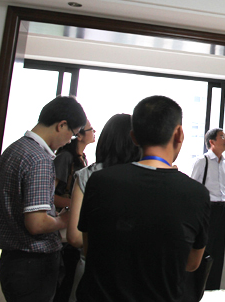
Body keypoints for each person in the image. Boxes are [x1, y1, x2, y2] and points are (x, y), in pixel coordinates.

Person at [76, 96, 210, 302]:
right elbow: (192, 263)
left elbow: (89, 248)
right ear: (179, 134)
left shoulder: (99, 181)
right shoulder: (196, 193)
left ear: (134, 137)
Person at [0, 96, 87, 302]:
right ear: (61, 125)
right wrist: (64, 219)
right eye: (73, 134)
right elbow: (36, 224)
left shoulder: (12, 150)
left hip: (10, 262)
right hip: (34, 264)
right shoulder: (40, 158)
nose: (70, 140)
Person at [65, 113, 141, 302]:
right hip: (133, 274)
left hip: (91, 270)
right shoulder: (145, 179)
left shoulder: (86, 175)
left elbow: (74, 237)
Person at [53, 120, 95, 302]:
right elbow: (49, 195)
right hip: (63, 226)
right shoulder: (65, 158)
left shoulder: (82, 158)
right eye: (90, 129)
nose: (94, 132)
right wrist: (75, 203)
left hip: (72, 225)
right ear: (79, 135)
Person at [190, 128, 225, 290]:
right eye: (222, 137)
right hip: (206, 210)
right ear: (211, 142)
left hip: (221, 209)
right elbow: (193, 189)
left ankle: (214, 289)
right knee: (203, 249)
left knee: (218, 252)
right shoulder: (202, 161)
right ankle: (198, 289)